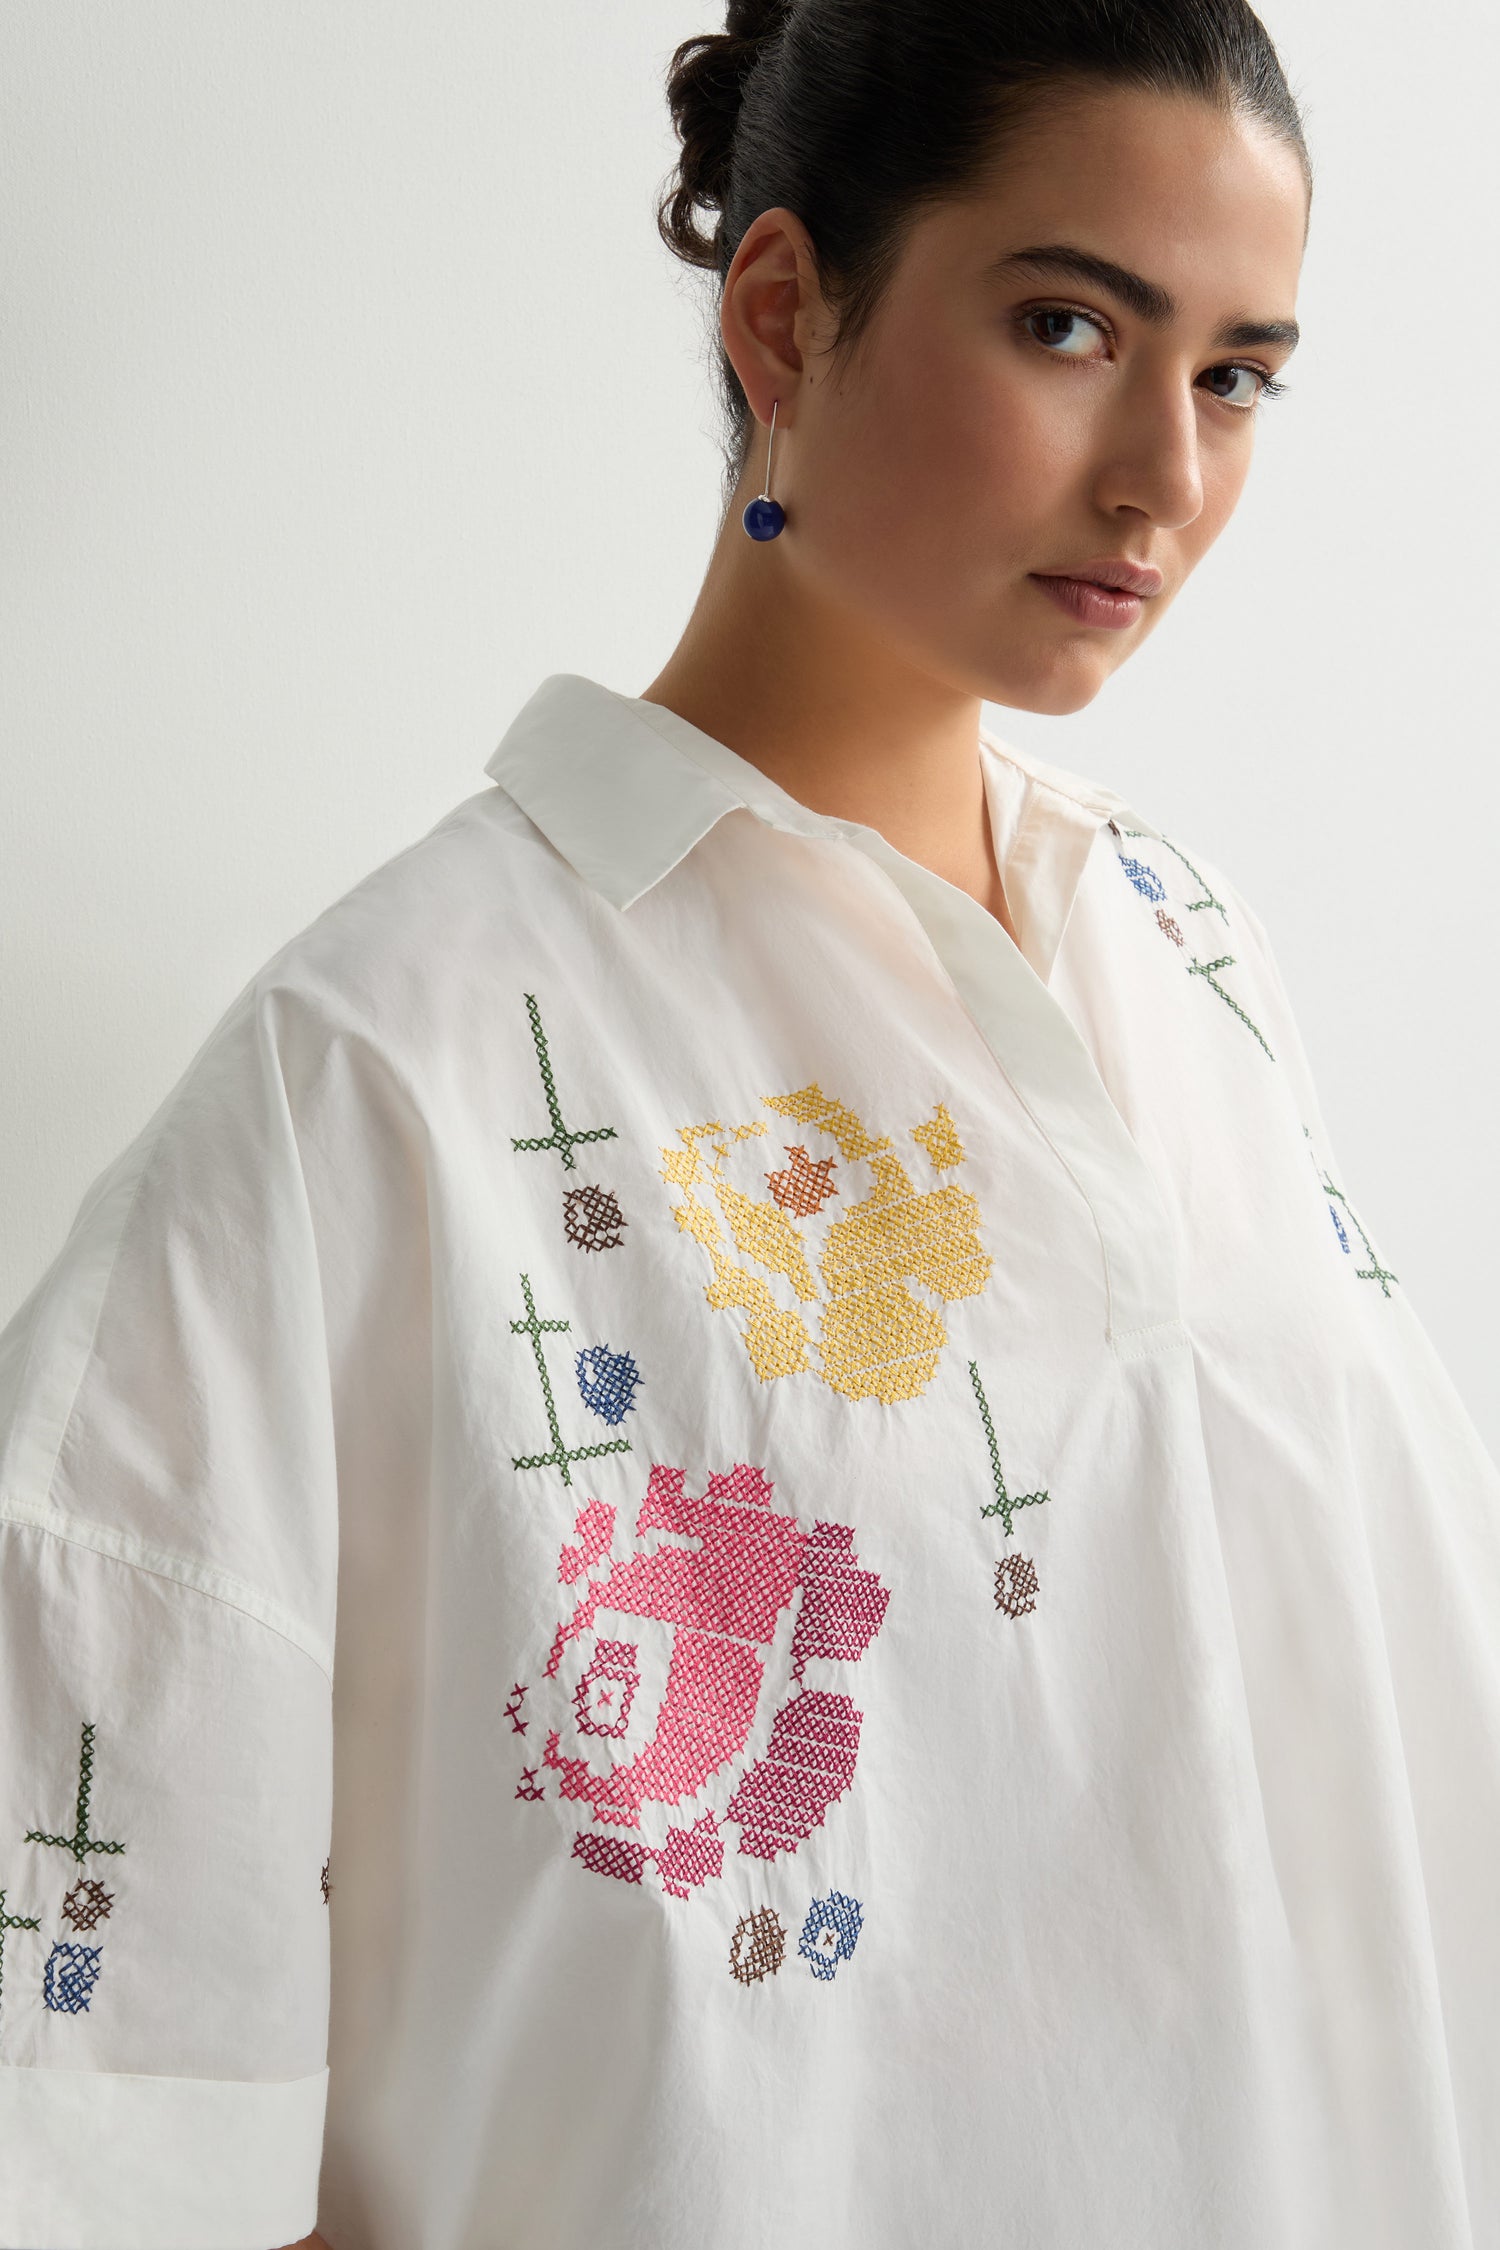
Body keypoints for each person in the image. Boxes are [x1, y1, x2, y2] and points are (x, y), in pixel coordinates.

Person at [2, 2, 1495, 2246]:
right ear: (786, 310)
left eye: (1238, 374)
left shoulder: (1188, 958)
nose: (1167, 478)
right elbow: (114, 2097)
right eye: (1072, 322)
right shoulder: (383, 1080)